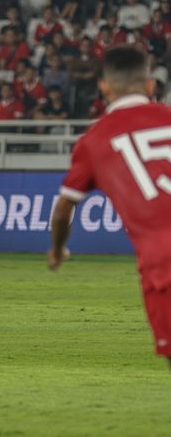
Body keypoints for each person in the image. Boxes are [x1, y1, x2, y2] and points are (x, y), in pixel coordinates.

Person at [49, 45, 171, 367]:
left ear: (104, 87)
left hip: (164, 264)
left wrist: (57, 250)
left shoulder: (94, 140)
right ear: (150, 86)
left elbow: (63, 209)